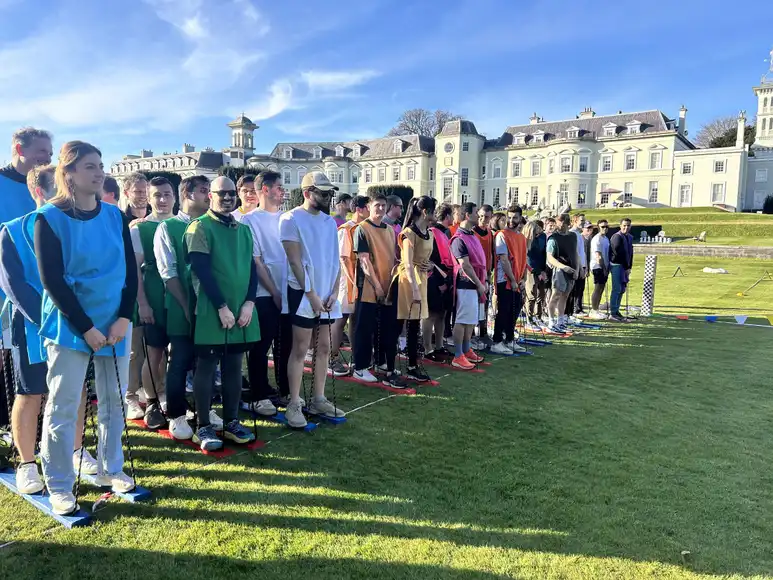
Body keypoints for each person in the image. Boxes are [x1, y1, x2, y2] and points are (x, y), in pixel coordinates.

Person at [35, 141, 138, 515]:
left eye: (101, 165)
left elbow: (129, 273)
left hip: (115, 325)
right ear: (69, 173)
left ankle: (111, 469)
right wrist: (86, 328)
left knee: (114, 402)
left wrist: (124, 317)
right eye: (90, 166)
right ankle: (60, 484)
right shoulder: (48, 217)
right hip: (70, 325)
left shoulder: (115, 216)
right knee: (64, 406)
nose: (100, 173)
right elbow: (53, 281)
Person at [0, 165, 98, 494]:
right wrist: (46, 322)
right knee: (31, 393)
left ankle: (75, 451)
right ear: (40, 191)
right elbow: (14, 286)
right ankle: (27, 462)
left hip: (73, 322)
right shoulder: (11, 231)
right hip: (32, 325)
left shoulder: (71, 227)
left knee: (77, 389)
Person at [184, 176, 259, 450]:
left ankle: (230, 422)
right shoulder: (199, 228)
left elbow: (252, 270)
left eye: (231, 193)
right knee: (206, 366)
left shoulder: (245, 230)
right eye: (221, 193)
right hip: (211, 309)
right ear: (210, 196)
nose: (227, 198)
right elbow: (202, 272)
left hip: (241, 310)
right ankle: (203, 425)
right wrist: (221, 307)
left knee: (234, 365)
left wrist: (249, 303)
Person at [279, 171, 346, 428]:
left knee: (324, 349)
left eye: (330, 193)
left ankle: (318, 398)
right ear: (308, 193)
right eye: (324, 193)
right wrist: (311, 294)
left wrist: (333, 292)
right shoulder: (290, 218)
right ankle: (294, 403)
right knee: (299, 350)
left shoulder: (330, 222)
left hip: (326, 294)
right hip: (302, 293)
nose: (329, 197)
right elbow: (295, 262)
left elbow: (334, 259)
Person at [0, 128, 53, 430]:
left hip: (40, 290)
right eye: (41, 151)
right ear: (19, 149)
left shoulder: (48, 185)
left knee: (37, 370)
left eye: (49, 151)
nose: (46, 157)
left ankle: (35, 430)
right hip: (7, 284)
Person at [154, 175, 212, 440]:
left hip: (209, 307)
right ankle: (176, 414)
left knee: (207, 362)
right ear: (187, 194)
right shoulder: (167, 228)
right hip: (181, 306)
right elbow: (169, 273)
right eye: (203, 191)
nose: (209, 196)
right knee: (179, 360)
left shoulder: (211, 225)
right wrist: (188, 307)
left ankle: (205, 411)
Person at [129, 177, 176, 430]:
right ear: (149, 197)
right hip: (154, 297)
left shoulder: (184, 224)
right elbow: (135, 269)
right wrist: (143, 303)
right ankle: (152, 402)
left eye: (167, 194)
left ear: (175, 196)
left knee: (176, 354)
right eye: (157, 195)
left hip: (179, 300)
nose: (162, 199)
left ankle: (170, 396)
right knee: (153, 353)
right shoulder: (140, 228)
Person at [241, 171, 286, 416]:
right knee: (260, 346)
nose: (283, 191)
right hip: (264, 293)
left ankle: (282, 389)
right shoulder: (250, 220)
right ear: (265, 190)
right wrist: (275, 292)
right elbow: (256, 261)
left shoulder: (286, 218)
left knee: (283, 345)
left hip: (287, 291)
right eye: (279, 187)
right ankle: (257, 395)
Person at [351, 192, 404, 387]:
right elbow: (364, 262)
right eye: (377, 205)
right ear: (369, 207)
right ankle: (360, 367)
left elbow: (393, 257)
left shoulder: (390, 230)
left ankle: (381, 362)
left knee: (386, 328)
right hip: (369, 287)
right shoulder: (362, 229)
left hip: (388, 285)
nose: (380, 209)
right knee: (365, 328)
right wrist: (377, 286)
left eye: (383, 205)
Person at [395, 196, 435, 382]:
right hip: (408, 280)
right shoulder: (409, 233)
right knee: (402, 323)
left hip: (422, 278)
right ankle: (389, 363)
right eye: (433, 211)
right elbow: (407, 263)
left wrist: (431, 266)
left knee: (414, 325)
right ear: (426, 212)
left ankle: (412, 364)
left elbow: (426, 257)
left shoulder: (429, 232)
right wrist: (414, 288)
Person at [330, 195, 369, 377]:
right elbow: (343, 258)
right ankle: (332, 358)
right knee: (341, 319)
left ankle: (356, 356)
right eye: (368, 207)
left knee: (356, 319)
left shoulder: (364, 228)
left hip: (360, 282)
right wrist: (352, 281)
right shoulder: (346, 229)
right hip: (348, 281)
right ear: (359, 209)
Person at [121, 172, 149, 419]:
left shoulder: (156, 218)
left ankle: (150, 391)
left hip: (155, 292)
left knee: (154, 349)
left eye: (145, 191)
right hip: (129, 292)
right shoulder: (119, 219)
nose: (143, 196)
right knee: (133, 350)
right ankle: (129, 395)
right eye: (138, 191)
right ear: (127, 193)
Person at [449, 203, 487, 370]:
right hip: (466, 283)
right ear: (467, 216)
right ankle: (458, 355)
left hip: (476, 283)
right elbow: (465, 265)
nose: (479, 217)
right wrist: (479, 284)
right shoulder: (459, 239)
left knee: (471, 319)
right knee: (462, 319)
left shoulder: (471, 235)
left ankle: (466, 349)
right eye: (475, 214)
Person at [491, 207, 528, 355]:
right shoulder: (501, 235)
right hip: (504, 279)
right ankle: (497, 341)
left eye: (515, 218)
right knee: (504, 311)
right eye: (510, 217)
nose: (512, 221)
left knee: (515, 309)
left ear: (520, 219)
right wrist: (512, 279)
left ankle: (510, 339)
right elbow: (504, 260)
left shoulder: (521, 237)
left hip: (517, 279)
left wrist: (523, 279)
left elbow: (524, 260)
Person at [424, 203, 454, 360]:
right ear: (447, 216)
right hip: (433, 279)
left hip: (446, 277)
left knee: (442, 314)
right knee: (430, 315)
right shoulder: (432, 232)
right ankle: (428, 348)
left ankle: (439, 345)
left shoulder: (446, 232)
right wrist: (438, 281)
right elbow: (430, 260)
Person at [545, 213, 578, 334]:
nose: (556, 224)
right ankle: (551, 322)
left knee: (565, 296)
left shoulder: (573, 236)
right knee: (556, 295)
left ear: (564, 223)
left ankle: (560, 321)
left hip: (572, 269)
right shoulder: (553, 238)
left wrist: (577, 269)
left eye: (558, 222)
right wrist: (563, 267)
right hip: (560, 270)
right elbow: (550, 257)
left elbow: (575, 254)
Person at [472, 204, 494, 350]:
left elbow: (491, 254)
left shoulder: (490, 233)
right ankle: (472, 335)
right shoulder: (473, 232)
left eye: (486, 217)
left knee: (484, 305)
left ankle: (483, 332)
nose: (482, 219)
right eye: (480, 216)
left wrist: (489, 273)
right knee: (473, 305)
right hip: (474, 273)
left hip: (486, 274)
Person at [523, 220, 547, 331]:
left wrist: (543, 271)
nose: (539, 230)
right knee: (531, 294)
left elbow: (543, 255)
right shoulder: (526, 241)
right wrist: (536, 271)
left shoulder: (541, 238)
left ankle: (538, 317)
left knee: (541, 295)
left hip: (541, 270)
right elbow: (528, 259)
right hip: (531, 270)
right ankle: (529, 319)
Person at [609, 218, 633, 322]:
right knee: (617, 289)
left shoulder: (629, 237)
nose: (626, 227)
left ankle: (617, 310)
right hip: (617, 266)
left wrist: (629, 267)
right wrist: (626, 267)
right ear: (620, 226)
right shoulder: (617, 237)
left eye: (628, 225)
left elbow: (630, 253)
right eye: (624, 225)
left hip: (625, 267)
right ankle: (613, 312)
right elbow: (617, 254)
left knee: (622, 289)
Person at [566, 213, 587, 318]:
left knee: (580, 289)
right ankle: (570, 312)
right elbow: (575, 253)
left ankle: (576, 310)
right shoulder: (571, 233)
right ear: (575, 221)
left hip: (581, 266)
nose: (583, 223)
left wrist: (585, 266)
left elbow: (582, 252)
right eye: (581, 221)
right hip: (575, 266)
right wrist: (579, 268)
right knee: (572, 291)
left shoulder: (579, 234)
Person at [589, 219, 610, 320]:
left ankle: (596, 309)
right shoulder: (596, 239)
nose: (605, 229)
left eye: (606, 227)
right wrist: (604, 268)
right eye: (602, 227)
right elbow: (598, 256)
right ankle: (593, 310)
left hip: (604, 266)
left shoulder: (605, 238)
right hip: (598, 266)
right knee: (597, 288)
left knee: (601, 288)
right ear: (598, 227)